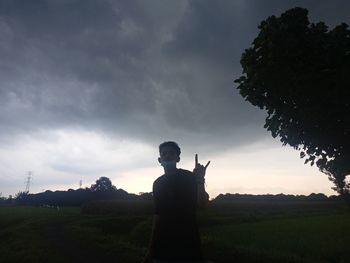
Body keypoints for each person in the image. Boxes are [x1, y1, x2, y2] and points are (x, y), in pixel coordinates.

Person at [143, 141, 210, 263]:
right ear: (159, 159)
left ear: (178, 158)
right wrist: (151, 249)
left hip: (189, 244)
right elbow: (157, 217)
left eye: (172, 153)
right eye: (164, 154)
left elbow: (203, 205)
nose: (168, 156)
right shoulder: (157, 183)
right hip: (162, 246)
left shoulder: (189, 177)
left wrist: (200, 180)